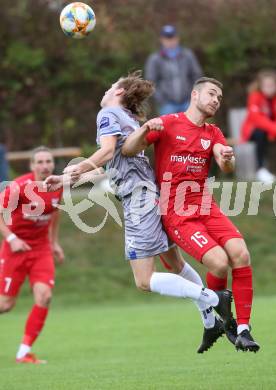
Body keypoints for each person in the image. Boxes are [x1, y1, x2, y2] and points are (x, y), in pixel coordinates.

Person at [45, 71, 236, 354]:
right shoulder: (130, 120)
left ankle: (212, 298)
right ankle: (210, 323)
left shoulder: (108, 113)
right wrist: (64, 179)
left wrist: (80, 166)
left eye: (111, 86)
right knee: (176, 264)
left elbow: (108, 153)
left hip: (139, 200)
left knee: (144, 281)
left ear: (119, 92)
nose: (107, 90)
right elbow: (108, 167)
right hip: (152, 195)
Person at [122, 77, 260, 352]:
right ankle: (225, 322)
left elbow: (224, 161)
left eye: (219, 98)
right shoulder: (168, 123)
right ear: (194, 95)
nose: (216, 100)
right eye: (211, 94)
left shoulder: (213, 133)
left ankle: (243, 328)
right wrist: (146, 128)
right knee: (219, 263)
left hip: (205, 205)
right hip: (176, 211)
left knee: (241, 254)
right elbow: (128, 149)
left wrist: (227, 157)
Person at [0, 146, 64, 364]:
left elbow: (55, 212)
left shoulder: (57, 185)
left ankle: (23, 353)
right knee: (5, 305)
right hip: (14, 249)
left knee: (44, 296)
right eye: (40, 162)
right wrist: (11, 239)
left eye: (49, 161)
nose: (45, 165)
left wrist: (54, 243)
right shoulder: (18, 187)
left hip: (40, 249)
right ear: (32, 166)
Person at [145, 25, 203, 116]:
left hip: (188, 102)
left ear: (177, 38)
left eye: (172, 38)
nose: (170, 41)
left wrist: (193, 95)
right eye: (167, 38)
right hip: (167, 105)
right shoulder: (155, 59)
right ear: (162, 39)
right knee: (169, 129)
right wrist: (161, 99)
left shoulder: (187, 55)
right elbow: (150, 82)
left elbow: (196, 75)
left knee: (190, 129)